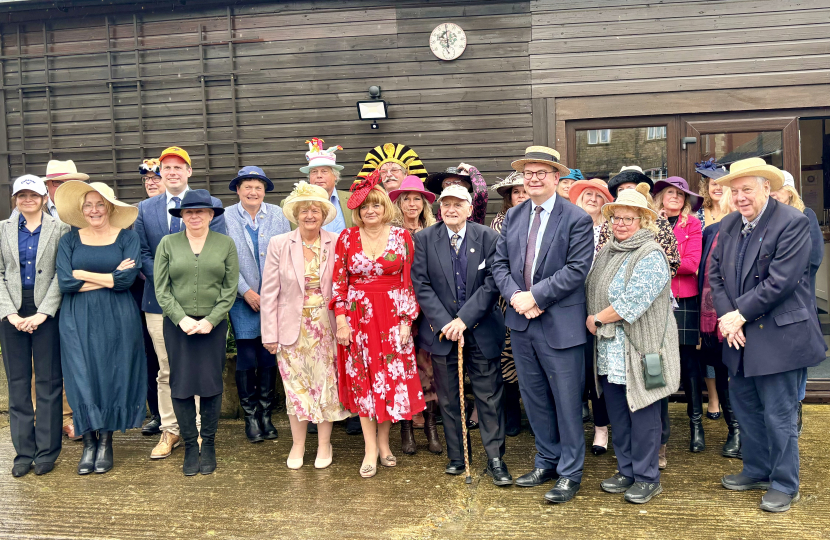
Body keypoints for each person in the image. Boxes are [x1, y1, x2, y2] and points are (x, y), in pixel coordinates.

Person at [710, 158, 826, 513]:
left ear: (766, 188)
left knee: (779, 415)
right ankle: (757, 469)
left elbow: (782, 282)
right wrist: (731, 318)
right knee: (746, 409)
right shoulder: (729, 224)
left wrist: (737, 316)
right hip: (740, 335)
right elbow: (715, 275)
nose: (740, 197)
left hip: (779, 337)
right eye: (735, 191)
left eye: (747, 189)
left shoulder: (793, 222)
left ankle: (785, 483)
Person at [491, 146, 594, 504]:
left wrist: (535, 296)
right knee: (534, 399)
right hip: (521, 323)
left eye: (541, 173)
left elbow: (578, 269)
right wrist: (518, 297)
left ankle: (570, 472)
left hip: (560, 325)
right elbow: (499, 263)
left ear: (555, 178)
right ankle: (546, 460)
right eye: (528, 173)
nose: (533, 179)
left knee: (566, 402)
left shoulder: (576, 218)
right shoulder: (515, 215)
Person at [586, 182, 680, 504]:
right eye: (616, 218)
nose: (621, 224)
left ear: (643, 220)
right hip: (610, 350)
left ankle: (647, 476)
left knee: (643, 415)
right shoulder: (608, 251)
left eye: (629, 218)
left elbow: (632, 302)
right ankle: (626, 470)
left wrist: (597, 319)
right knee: (619, 415)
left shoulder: (651, 254)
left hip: (640, 349)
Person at [329, 171, 425, 478]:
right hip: (358, 319)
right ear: (357, 211)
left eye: (377, 205)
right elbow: (339, 283)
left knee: (388, 383)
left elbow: (410, 282)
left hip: (392, 317)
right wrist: (341, 320)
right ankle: (370, 448)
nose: (371, 211)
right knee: (366, 384)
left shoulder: (403, 238)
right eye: (365, 206)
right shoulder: (346, 238)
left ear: (385, 207)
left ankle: (385, 444)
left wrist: (407, 321)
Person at [412, 184, 509, 485]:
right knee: (449, 399)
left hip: (480, 331)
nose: (451, 209)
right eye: (446, 204)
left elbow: (493, 282)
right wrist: (445, 323)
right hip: (442, 335)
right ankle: (458, 455)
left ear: (470, 208)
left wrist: (463, 320)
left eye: (458, 204)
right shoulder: (425, 239)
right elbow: (422, 284)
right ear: (438, 209)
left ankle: (495, 458)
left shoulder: (489, 237)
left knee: (489, 397)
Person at [134, 146, 227, 460]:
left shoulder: (206, 205)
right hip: (159, 305)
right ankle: (171, 429)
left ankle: (198, 431)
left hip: (204, 307)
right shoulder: (144, 209)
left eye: (178, 167)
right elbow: (143, 252)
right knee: (167, 370)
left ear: (189, 171)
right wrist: (166, 284)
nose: (172, 172)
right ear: (160, 173)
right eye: (166, 168)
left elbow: (219, 253)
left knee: (199, 370)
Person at [54, 181, 146, 475]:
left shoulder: (126, 238)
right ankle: (88, 441)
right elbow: (66, 283)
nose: (94, 210)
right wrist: (109, 275)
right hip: (77, 317)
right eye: (88, 205)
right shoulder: (69, 240)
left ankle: (105, 441)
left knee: (111, 373)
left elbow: (126, 281)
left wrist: (84, 273)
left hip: (118, 315)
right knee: (81, 375)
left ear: (109, 208)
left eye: (100, 204)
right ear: (82, 210)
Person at [260, 182, 351, 469]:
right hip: (292, 329)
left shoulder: (337, 241)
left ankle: (325, 444)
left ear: (324, 215)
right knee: (296, 388)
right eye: (304, 210)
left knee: (326, 387)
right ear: (295, 215)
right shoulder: (279, 243)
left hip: (327, 327)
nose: (310, 215)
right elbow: (269, 292)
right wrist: (269, 334)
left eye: (315, 210)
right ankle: (298, 444)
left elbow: (343, 285)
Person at [154, 189, 238, 476]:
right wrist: (180, 318)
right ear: (182, 216)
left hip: (212, 327)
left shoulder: (225, 244)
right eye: (189, 212)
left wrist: (212, 319)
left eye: (200, 211)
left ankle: (210, 444)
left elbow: (230, 287)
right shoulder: (168, 243)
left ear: (211, 215)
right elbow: (161, 289)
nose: (194, 216)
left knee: (211, 383)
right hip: (179, 328)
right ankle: (191, 445)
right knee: (181, 384)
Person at [11, 160, 90, 440]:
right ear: (49, 186)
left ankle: (75, 413)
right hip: (37, 298)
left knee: (70, 356)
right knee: (38, 365)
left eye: (70, 182)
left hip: (75, 290)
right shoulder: (28, 214)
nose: (63, 187)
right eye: (58, 182)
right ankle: (59, 418)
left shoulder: (82, 208)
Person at [0, 176, 69, 477]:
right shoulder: (2, 230)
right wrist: (10, 314)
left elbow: (60, 274)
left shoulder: (60, 229)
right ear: (15, 199)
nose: (28, 200)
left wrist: (43, 313)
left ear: (44, 198)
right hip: (12, 312)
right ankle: (23, 452)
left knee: (48, 383)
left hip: (46, 313)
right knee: (17, 384)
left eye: (34, 195)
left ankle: (47, 451)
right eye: (22, 195)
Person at [225, 166, 289, 444]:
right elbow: (224, 258)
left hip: (275, 297)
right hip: (242, 298)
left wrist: (272, 294)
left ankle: (266, 414)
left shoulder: (277, 214)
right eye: (247, 186)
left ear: (264, 191)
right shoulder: (226, 217)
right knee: (247, 353)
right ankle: (250, 416)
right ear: (238, 190)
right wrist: (246, 291)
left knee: (268, 352)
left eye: (258, 187)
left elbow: (286, 254)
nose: (253, 192)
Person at [388, 176, 442, 455]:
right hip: (398, 308)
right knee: (403, 367)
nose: (412, 203)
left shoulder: (434, 229)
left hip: (429, 307)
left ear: (424, 204)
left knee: (428, 369)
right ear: (399, 203)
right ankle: (406, 427)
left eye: (417, 198)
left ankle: (431, 426)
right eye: (406, 198)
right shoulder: (390, 232)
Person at [770, 170, 824, 437]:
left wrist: (785, 279)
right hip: (770, 301)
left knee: (797, 354)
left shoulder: (806, 216)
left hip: (798, 299)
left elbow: (813, 259)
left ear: (789, 191)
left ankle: (797, 404)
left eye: (775, 190)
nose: (771, 195)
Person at [653, 177, 704, 453]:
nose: (675, 197)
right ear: (660, 196)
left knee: (689, 362)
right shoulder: (649, 222)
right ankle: (660, 432)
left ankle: (696, 424)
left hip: (684, 298)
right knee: (658, 359)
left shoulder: (692, 224)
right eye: (670, 192)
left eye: (680, 194)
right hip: (656, 299)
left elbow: (692, 264)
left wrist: (656, 257)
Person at [569, 177, 615, 455]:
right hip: (570, 307)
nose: (593, 199)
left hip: (603, 310)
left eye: (599, 196)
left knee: (599, 371)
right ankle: (573, 427)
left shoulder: (613, 231)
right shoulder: (570, 226)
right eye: (587, 194)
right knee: (575, 372)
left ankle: (601, 427)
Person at [698, 192, 742, 459]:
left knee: (747, 377)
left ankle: (753, 434)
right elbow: (706, 273)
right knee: (724, 371)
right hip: (714, 319)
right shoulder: (712, 230)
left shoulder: (767, 230)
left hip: (751, 317)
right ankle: (734, 430)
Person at [488, 172, 528, 437]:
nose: (521, 196)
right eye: (516, 192)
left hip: (540, 297)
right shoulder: (499, 224)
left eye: (524, 191)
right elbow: (499, 263)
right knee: (508, 356)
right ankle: (512, 414)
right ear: (508, 198)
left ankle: (538, 416)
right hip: (507, 298)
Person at [694, 159, 729, 422]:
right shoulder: (698, 213)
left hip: (728, 289)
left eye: (721, 184)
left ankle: (731, 402)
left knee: (726, 347)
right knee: (705, 347)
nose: (717, 188)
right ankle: (713, 397)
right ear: (706, 186)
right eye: (713, 183)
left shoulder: (735, 211)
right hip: (702, 289)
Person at [132, 159, 163, 436]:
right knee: (151, 354)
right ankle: (157, 413)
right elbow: (140, 251)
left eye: (156, 177)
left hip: (182, 288)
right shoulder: (138, 211)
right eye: (147, 179)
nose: (151, 182)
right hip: (147, 289)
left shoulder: (178, 208)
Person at [300, 138, 353, 235]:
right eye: (314, 172)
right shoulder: (297, 202)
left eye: (324, 171)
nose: (319, 175)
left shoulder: (352, 199)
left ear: (335, 176)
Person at [357, 142, 428, 193]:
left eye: (394, 170)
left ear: (405, 174)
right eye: (383, 172)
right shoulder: (377, 201)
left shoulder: (415, 202)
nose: (388, 175)